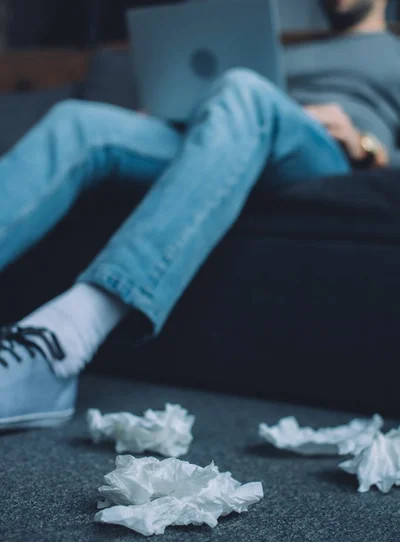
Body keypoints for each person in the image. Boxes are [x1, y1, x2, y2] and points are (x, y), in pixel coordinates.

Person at [0, 0, 398, 429]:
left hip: (320, 153)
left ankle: (61, 342)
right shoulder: (286, 49)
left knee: (246, 89)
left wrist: (366, 146)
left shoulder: (391, 53)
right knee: (79, 122)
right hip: (231, 136)